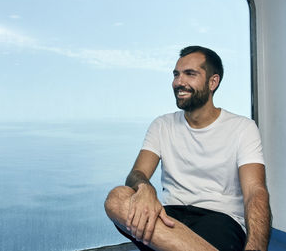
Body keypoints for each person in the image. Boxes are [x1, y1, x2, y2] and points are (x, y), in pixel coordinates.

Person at [104, 46, 271, 251]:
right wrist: (145, 187)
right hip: (169, 217)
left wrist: (256, 248)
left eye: (190, 74)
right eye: (176, 74)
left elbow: (255, 191)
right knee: (117, 198)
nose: (179, 82)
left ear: (213, 82)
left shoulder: (242, 128)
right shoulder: (162, 125)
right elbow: (137, 174)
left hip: (221, 220)